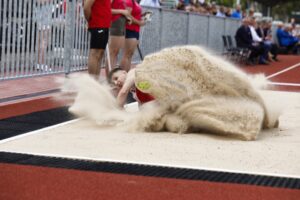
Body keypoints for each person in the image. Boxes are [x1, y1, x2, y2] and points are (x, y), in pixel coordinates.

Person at [97, 45, 279, 140]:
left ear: (122, 71)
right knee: (197, 113)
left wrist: (114, 113)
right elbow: (146, 111)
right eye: (114, 82)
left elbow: (121, 96)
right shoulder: (137, 95)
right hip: (176, 102)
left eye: (116, 78)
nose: (117, 82)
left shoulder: (133, 73)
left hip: (180, 92)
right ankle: (245, 118)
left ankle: (250, 102)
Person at [83, 0, 111, 78]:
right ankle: (92, 82)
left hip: (104, 25)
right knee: (95, 53)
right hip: (98, 24)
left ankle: (96, 81)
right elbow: (86, 7)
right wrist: (90, 20)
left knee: (100, 53)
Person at [119, 0, 147, 72]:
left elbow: (134, 14)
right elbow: (128, 15)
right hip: (130, 30)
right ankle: (121, 76)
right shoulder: (129, 1)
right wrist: (139, 22)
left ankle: (125, 75)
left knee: (129, 56)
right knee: (126, 55)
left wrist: (142, 16)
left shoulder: (134, 2)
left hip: (135, 30)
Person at [107, 0, 132, 75]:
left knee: (115, 53)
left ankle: (112, 77)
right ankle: (109, 78)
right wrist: (122, 11)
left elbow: (121, 11)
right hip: (115, 24)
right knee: (112, 53)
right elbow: (107, 9)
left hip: (121, 25)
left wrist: (127, 18)